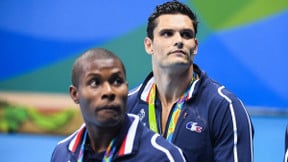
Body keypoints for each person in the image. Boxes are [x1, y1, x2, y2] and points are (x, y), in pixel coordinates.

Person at [127, 1, 254, 161]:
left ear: (195, 46)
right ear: (149, 45)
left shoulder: (225, 108)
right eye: (167, 33)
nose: (179, 40)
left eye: (186, 34)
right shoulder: (127, 108)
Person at [50, 48, 186, 162]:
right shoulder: (62, 153)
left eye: (116, 81)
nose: (109, 91)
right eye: (94, 83)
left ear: (126, 88)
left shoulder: (161, 157)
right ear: (75, 94)